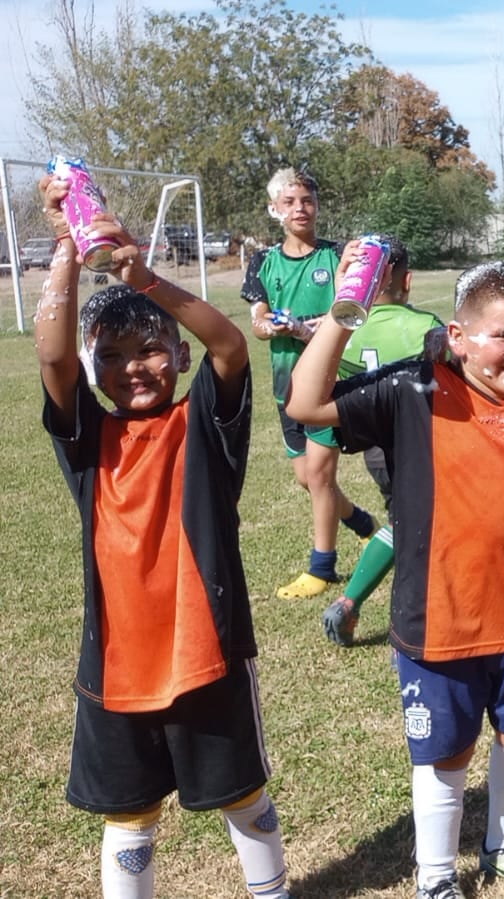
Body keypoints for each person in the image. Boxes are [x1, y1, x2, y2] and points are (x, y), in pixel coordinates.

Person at [287, 261, 504, 899]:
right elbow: (305, 404)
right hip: (439, 620)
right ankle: (438, 877)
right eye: (502, 336)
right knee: (445, 755)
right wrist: (344, 311)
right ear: (458, 335)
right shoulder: (414, 390)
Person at [35, 178, 289, 899]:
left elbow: (230, 344)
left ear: (177, 357)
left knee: (241, 793)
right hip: (116, 663)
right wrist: (66, 246)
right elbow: (53, 360)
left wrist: (144, 277)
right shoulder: (89, 440)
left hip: (205, 651)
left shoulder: (203, 424)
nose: (133, 368)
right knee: (129, 811)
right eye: (110, 356)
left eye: (149, 349)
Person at [242, 168, 375, 600]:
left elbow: (348, 313)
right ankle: (361, 523)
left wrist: (305, 329)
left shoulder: (337, 257)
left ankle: (322, 568)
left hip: (327, 381)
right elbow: (258, 321)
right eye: (291, 201)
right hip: (286, 384)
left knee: (319, 474)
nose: (300, 208)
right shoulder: (263, 262)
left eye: (307, 200)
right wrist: (270, 326)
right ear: (275, 209)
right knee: (306, 477)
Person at [319, 236, 445, 646]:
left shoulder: (342, 329)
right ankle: (406, 623)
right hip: (422, 442)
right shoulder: (427, 327)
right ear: (407, 280)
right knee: (422, 530)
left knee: (401, 521)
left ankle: (350, 602)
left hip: (374, 447)